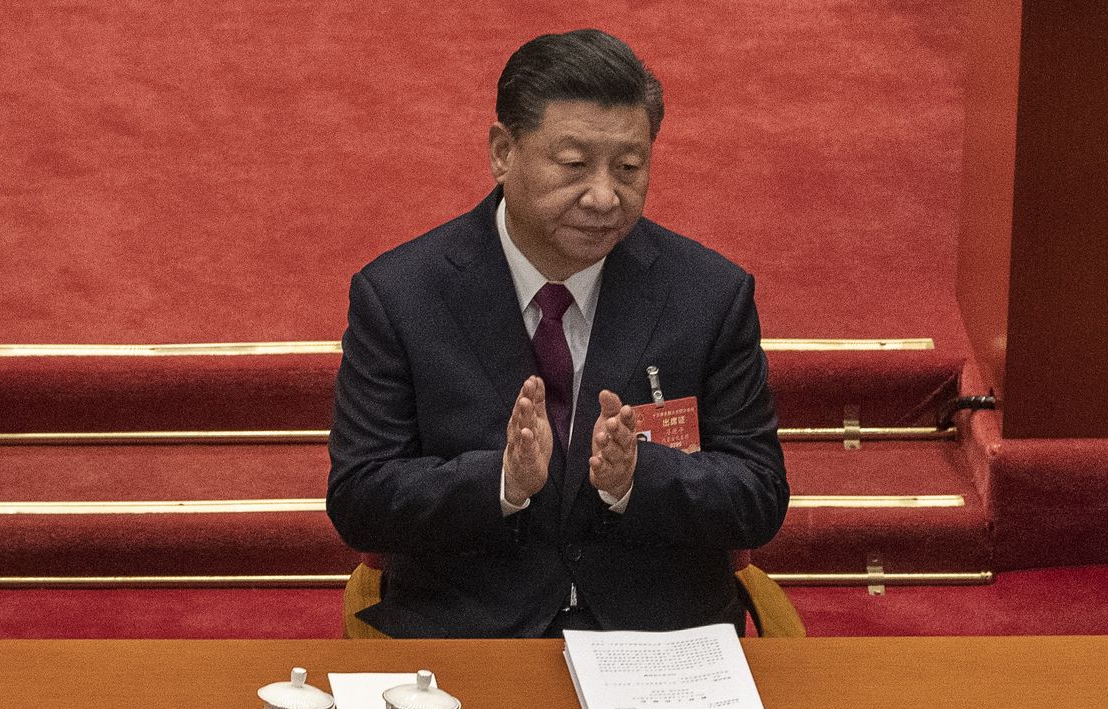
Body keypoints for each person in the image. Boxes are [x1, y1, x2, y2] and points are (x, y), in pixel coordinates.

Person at [327, 28, 787, 639]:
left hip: (657, 643)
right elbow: (359, 501)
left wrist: (634, 478)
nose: (604, 197)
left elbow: (759, 496)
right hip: (471, 635)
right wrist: (501, 482)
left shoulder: (707, 294)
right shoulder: (402, 295)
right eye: (573, 165)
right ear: (502, 152)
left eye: (630, 167)